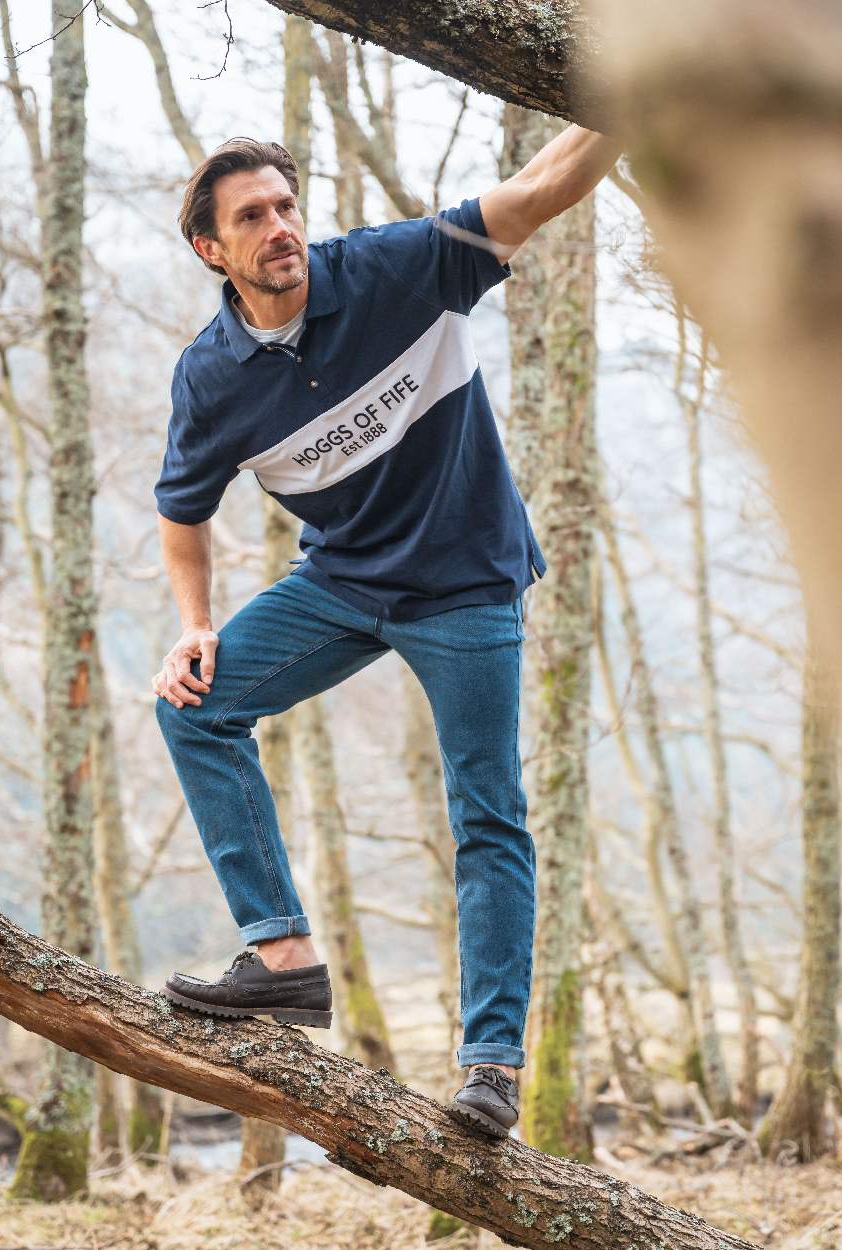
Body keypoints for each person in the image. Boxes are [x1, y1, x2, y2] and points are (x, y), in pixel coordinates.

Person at [151, 124, 620, 1139]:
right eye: (252, 217)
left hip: (465, 583)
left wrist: (621, 93)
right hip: (343, 582)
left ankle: (491, 1065)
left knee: (487, 810)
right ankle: (281, 959)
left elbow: (540, 189)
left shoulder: (396, 269)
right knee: (193, 704)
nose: (279, 228)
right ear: (211, 251)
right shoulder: (213, 376)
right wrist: (192, 627)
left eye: (285, 206)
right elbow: (181, 514)